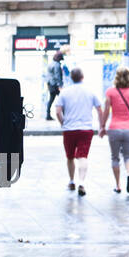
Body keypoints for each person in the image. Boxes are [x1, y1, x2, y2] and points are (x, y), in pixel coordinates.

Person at [53, 67, 102, 197]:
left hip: (69, 129)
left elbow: (58, 111)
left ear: (71, 78)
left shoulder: (65, 92)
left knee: (70, 156)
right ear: (82, 77)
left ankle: (71, 181)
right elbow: (99, 109)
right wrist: (101, 125)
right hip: (86, 129)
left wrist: (63, 122)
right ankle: (82, 182)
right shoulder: (90, 91)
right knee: (82, 156)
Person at [101, 65, 129, 194]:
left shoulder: (110, 92)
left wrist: (102, 126)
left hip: (114, 128)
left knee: (115, 158)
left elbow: (106, 111)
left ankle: (118, 185)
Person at [45, 50, 66, 120]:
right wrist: (60, 85)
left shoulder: (50, 64)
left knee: (51, 100)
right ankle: (65, 115)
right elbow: (57, 76)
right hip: (55, 85)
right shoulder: (57, 65)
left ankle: (48, 115)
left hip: (50, 84)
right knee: (62, 99)